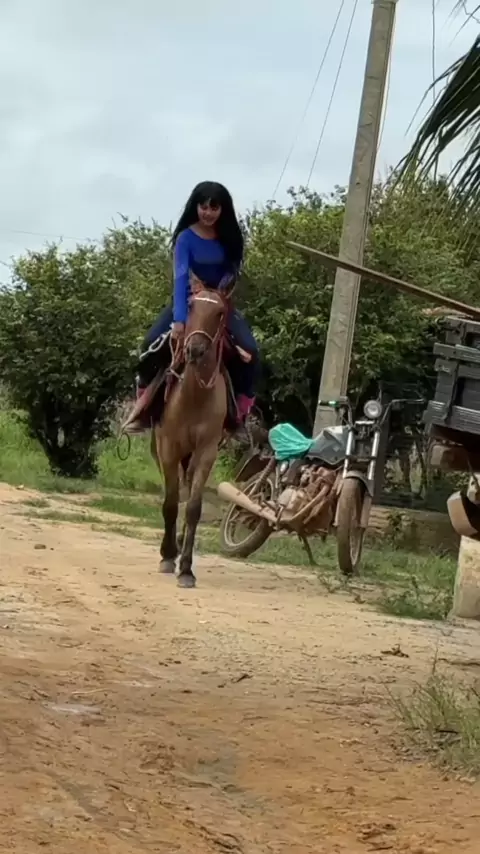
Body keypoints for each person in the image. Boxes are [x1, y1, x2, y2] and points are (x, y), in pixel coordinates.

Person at [127, 181, 259, 433]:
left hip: (219, 304)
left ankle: (239, 417)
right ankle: (142, 410)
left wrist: (221, 288)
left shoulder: (230, 237)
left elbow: (233, 271)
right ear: (195, 207)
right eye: (203, 207)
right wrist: (179, 319)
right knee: (149, 345)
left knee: (250, 351)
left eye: (214, 208)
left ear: (222, 209)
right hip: (188, 301)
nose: (208, 213)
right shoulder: (185, 239)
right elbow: (180, 278)